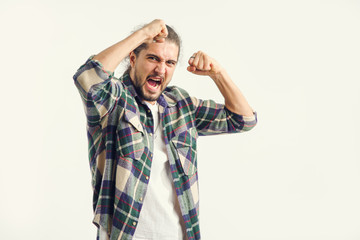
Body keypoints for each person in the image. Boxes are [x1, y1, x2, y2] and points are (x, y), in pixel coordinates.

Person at [73, 19, 257, 240]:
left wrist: (217, 73)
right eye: (153, 58)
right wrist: (142, 34)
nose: (161, 68)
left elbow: (242, 119)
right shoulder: (113, 101)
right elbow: (88, 77)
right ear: (132, 58)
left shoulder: (181, 104)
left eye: (170, 62)